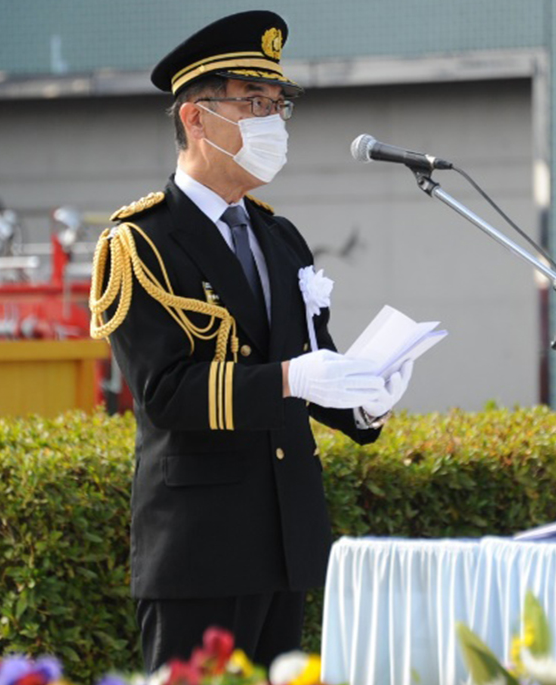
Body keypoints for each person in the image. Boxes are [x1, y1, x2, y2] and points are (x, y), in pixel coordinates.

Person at [88, 10, 415, 673]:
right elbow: (165, 392)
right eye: (254, 102)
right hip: (198, 549)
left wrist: (364, 398)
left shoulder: (280, 237)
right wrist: (293, 381)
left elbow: (311, 365)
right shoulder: (140, 242)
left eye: (278, 105)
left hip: (287, 540)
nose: (273, 120)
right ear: (195, 117)